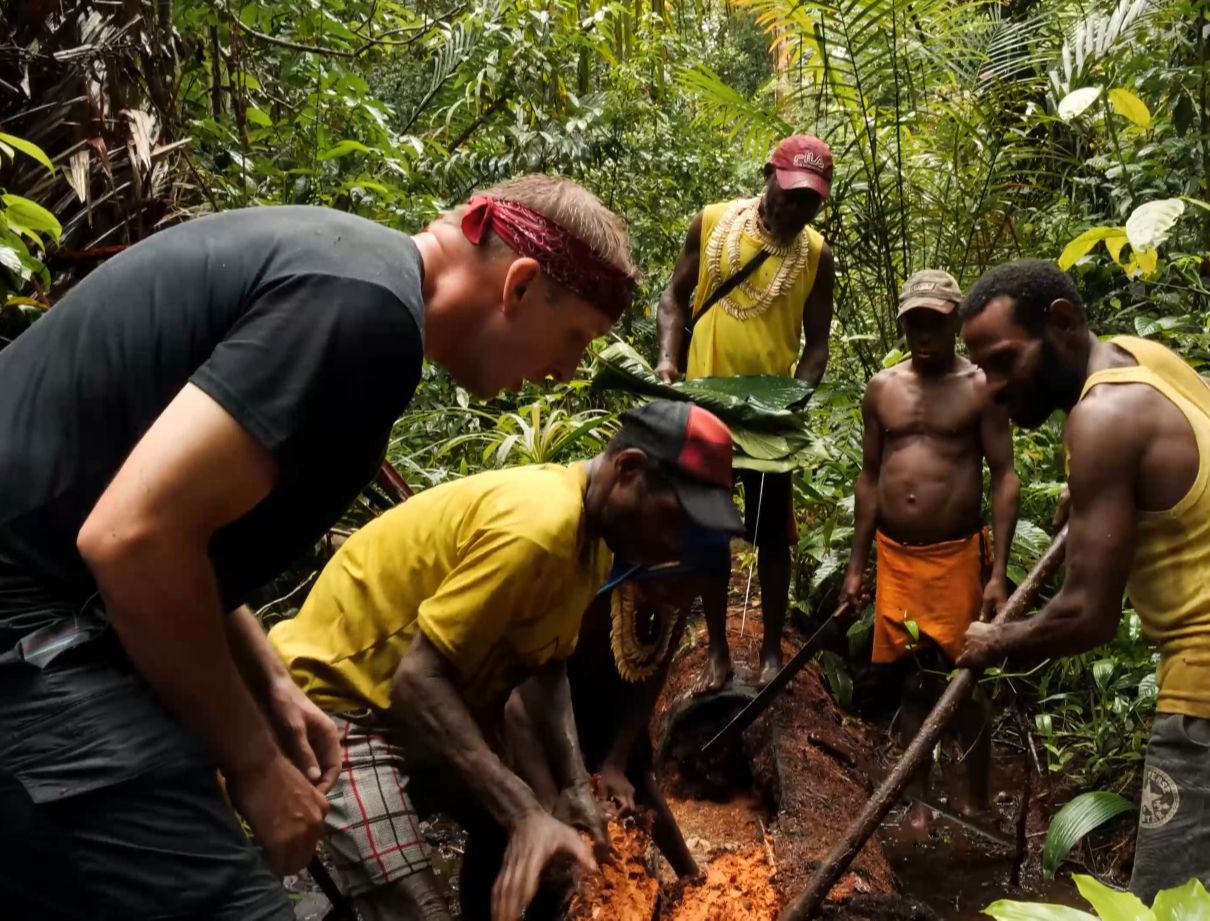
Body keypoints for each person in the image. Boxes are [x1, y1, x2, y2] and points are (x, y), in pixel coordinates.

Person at [0, 175, 637, 921]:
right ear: (520, 284)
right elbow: (133, 538)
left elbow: (183, 531)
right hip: (32, 635)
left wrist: (268, 682)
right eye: (575, 340)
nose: (563, 372)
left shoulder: (351, 272)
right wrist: (254, 762)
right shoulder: (363, 309)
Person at [956, 260, 1210, 920]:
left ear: (1060, 322)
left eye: (1002, 361)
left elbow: (1086, 616)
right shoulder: (1142, 359)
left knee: (1171, 910)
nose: (991, 387)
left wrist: (996, 639)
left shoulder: (1102, 418)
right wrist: (1112, 481)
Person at [268, 401, 744, 921]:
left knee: (553, 863)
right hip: (337, 708)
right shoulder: (540, 527)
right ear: (628, 470)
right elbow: (417, 681)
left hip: (403, 710)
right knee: (420, 907)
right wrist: (522, 810)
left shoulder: (592, 541)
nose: (673, 543)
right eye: (673, 519)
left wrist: (570, 785)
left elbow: (548, 666)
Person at [655, 134, 838, 691]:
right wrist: (668, 361)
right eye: (789, 195)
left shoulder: (815, 254)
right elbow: (673, 297)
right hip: (707, 409)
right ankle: (715, 651)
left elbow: (817, 345)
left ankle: (771, 654)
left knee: (772, 540)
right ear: (767, 176)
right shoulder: (711, 221)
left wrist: (793, 400)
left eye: (810, 201)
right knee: (708, 530)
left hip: (767, 420)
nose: (797, 208)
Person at [840, 269, 1020, 832]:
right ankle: (919, 800)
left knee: (965, 678)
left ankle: (977, 798)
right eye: (914, 322)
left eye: (934, 322)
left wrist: (999, 572)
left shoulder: (979, 387)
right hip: (898, 557)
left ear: (955, 323)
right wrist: (856, 565)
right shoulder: (883, 388)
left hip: (957, 556)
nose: (923, 333)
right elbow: (869, 478)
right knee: (908, 679)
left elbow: (1004, 475)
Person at [503, 548, 727, 889]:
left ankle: (690, 879)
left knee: (636, 776)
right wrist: (577, 783)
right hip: (549, 703)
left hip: (611, 693)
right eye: (673, 590)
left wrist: (616, 761)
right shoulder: (593, 593)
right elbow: (527, 699)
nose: (681, 600)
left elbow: (654, 676)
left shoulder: (676, 593)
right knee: (538, 829)